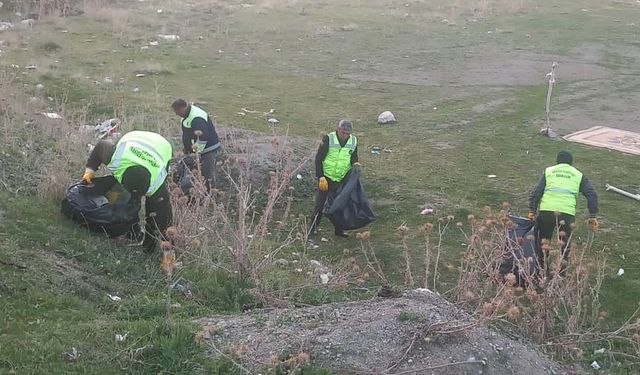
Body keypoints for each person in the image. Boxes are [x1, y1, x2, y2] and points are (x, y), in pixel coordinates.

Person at [81, 131, 173, 252]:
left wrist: (169, 252)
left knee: (154, 211)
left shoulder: (157, 183)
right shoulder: (117, 160)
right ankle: (131, 232)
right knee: (118, 197)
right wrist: (90, 170)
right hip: (136, 137)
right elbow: (101, 145)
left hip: (162, 147)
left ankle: (147, 246)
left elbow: (164, 219)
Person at [528, 151, 599, 275]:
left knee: (544, 242)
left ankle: (542, 270)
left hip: (547, 212)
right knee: (565, 245)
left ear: (557, 161)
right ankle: (562, 273)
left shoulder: (549, 171)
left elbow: (536, 192)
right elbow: (592, 194)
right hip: (567, 214)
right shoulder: (578, 174)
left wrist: (532, 210)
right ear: (571, 163)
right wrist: (592, 215)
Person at [310, 119, 360, 238]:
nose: (345, 135)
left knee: (339, 204)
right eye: (342, 132)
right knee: (320, 204)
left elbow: (353, 158)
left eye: (347, 133)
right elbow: (318, 159)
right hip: (326, 177)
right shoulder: (328, 139)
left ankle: (339, 230)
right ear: (338, 129)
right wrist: (321, 176)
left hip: (341, 178)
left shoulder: (353, 141)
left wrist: (356, 166)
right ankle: (312, 229)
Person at [171, 99, 221, 192]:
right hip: (195, 150)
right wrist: (187, 151)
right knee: (195, 172)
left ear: (182, 108)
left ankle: (210, 195)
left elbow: (203, 137)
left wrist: (196, 153)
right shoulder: (185, 115)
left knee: (208, 174)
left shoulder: (197, 117)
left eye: (177, 112)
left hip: (208, 149)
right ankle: (197, 193)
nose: (176, 114)